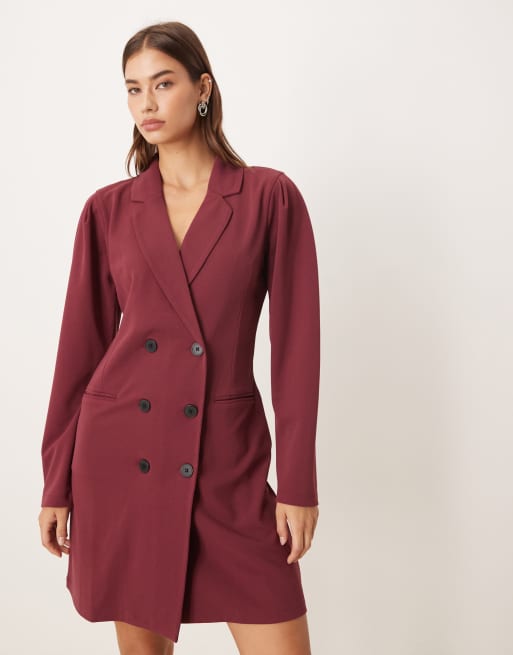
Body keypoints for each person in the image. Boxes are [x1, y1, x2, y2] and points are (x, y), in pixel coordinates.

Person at [38, 20, 320, 655]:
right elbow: (78, 354)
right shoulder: (108, 210)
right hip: (123, 459)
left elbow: (297, 351)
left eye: (163, 84)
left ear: (203, 88)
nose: (147, 103)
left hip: (228, 464)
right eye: (133, 88)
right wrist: (56, 480)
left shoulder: (268, 197)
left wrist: (298, 482)